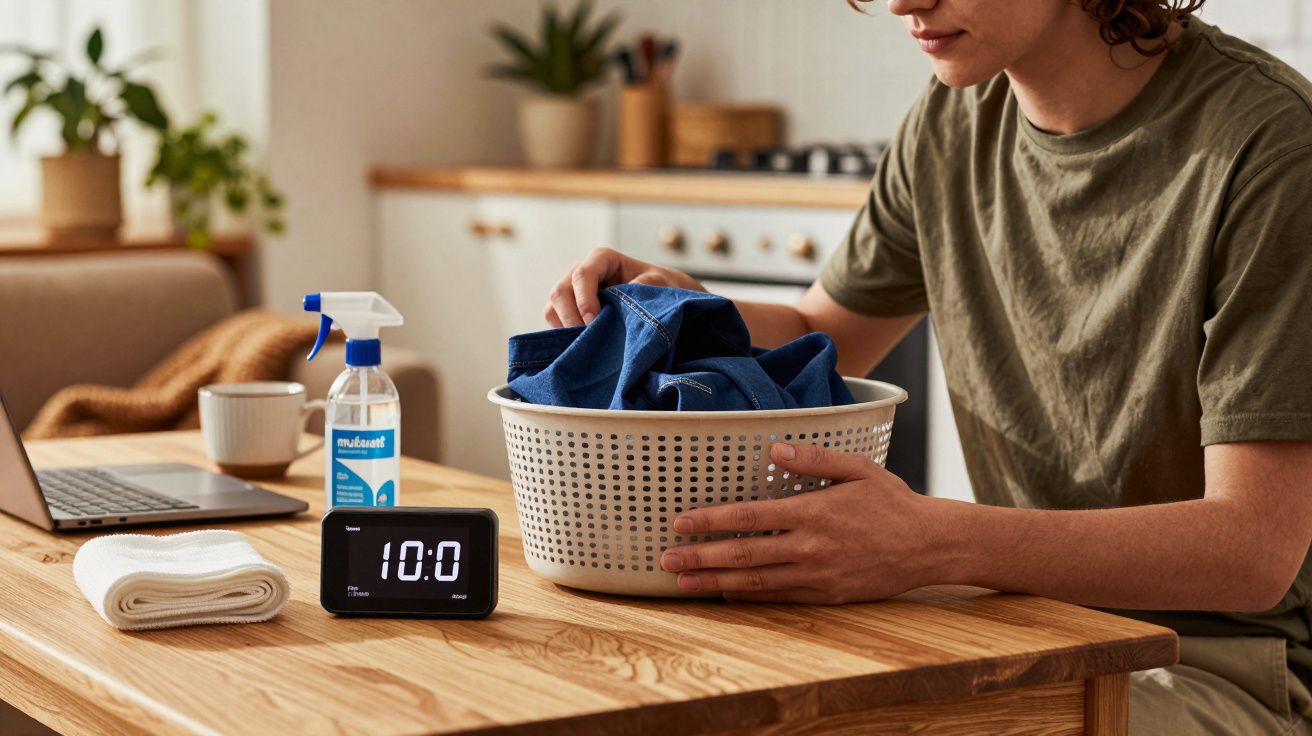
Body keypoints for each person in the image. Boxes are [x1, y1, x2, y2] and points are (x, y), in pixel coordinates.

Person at [543, 0, 1312, 732]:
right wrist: (691, 307)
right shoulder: (954, 119)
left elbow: (1252, 550)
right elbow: (818, 334)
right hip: (1022, 627)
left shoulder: (1271, 144)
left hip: (1220, 670)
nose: (903, 3)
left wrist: (934, 543)